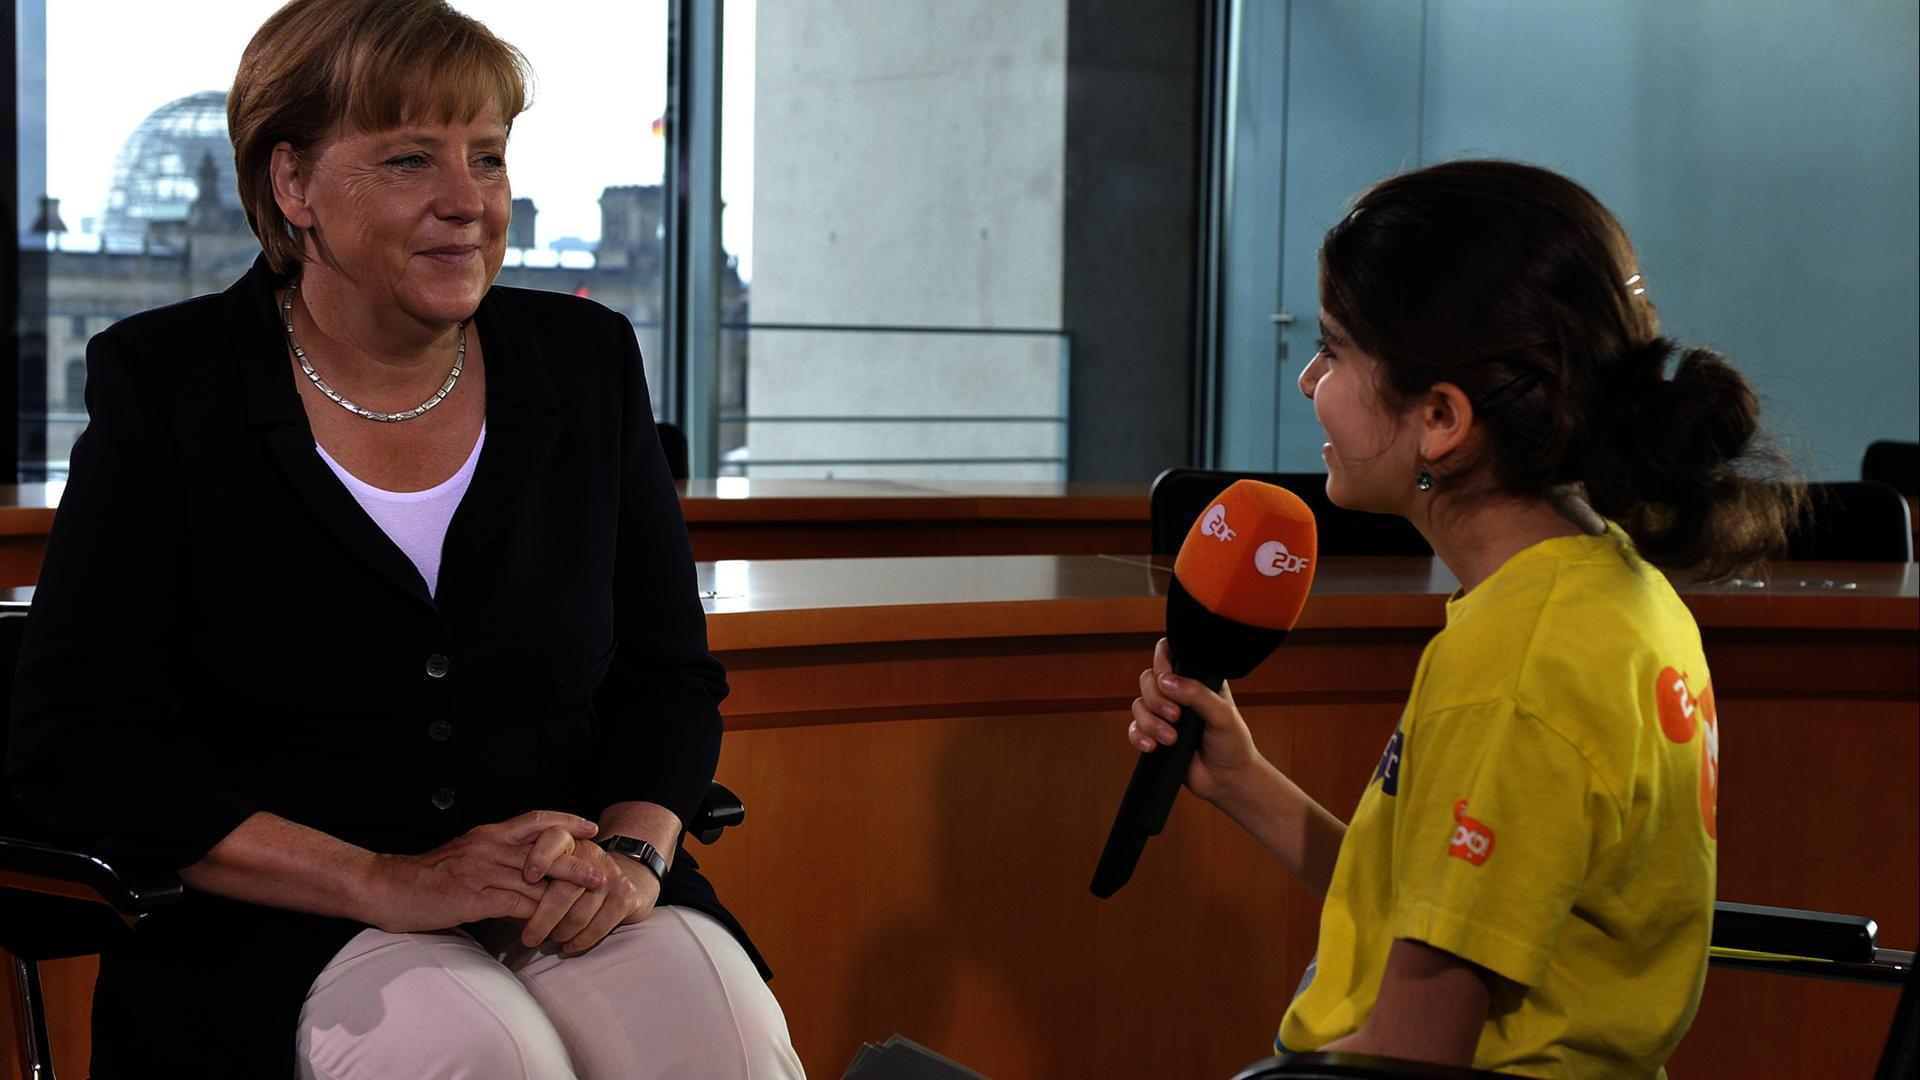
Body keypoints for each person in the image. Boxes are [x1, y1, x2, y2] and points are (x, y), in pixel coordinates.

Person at [6, 2, 802, 1077]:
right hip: (285, 918)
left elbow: (669, 676)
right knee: (479, 1051)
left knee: (723, 1036)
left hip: (566, 884)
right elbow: (77, 743)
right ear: (294, 185)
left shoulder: (587, 361)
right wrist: (388, 881)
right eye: (410, 160)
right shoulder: (167, 386)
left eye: (489, 157)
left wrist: (633, 852)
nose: (467, 202)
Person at [1127, 160, 1801, 1077]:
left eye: (1334, 350)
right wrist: (1246, 783)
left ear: (1441, 418)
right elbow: (1435, 906)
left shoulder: (1516, 669)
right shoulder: (1614, 593)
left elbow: (1414, 1056)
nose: (1309, 379)